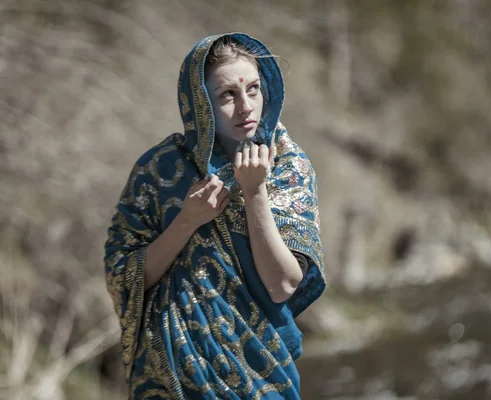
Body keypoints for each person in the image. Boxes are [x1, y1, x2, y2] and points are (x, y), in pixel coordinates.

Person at [104, 33, 326, 399]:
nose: (245, 107)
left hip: (258, 377)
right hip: (166, 380)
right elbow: (122, 276)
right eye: (228, 95)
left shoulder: (288, 167)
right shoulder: (159, 171)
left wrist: (255, 192)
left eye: (254, 89)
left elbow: (283, 284)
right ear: (199, 103)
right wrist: (187, 220)